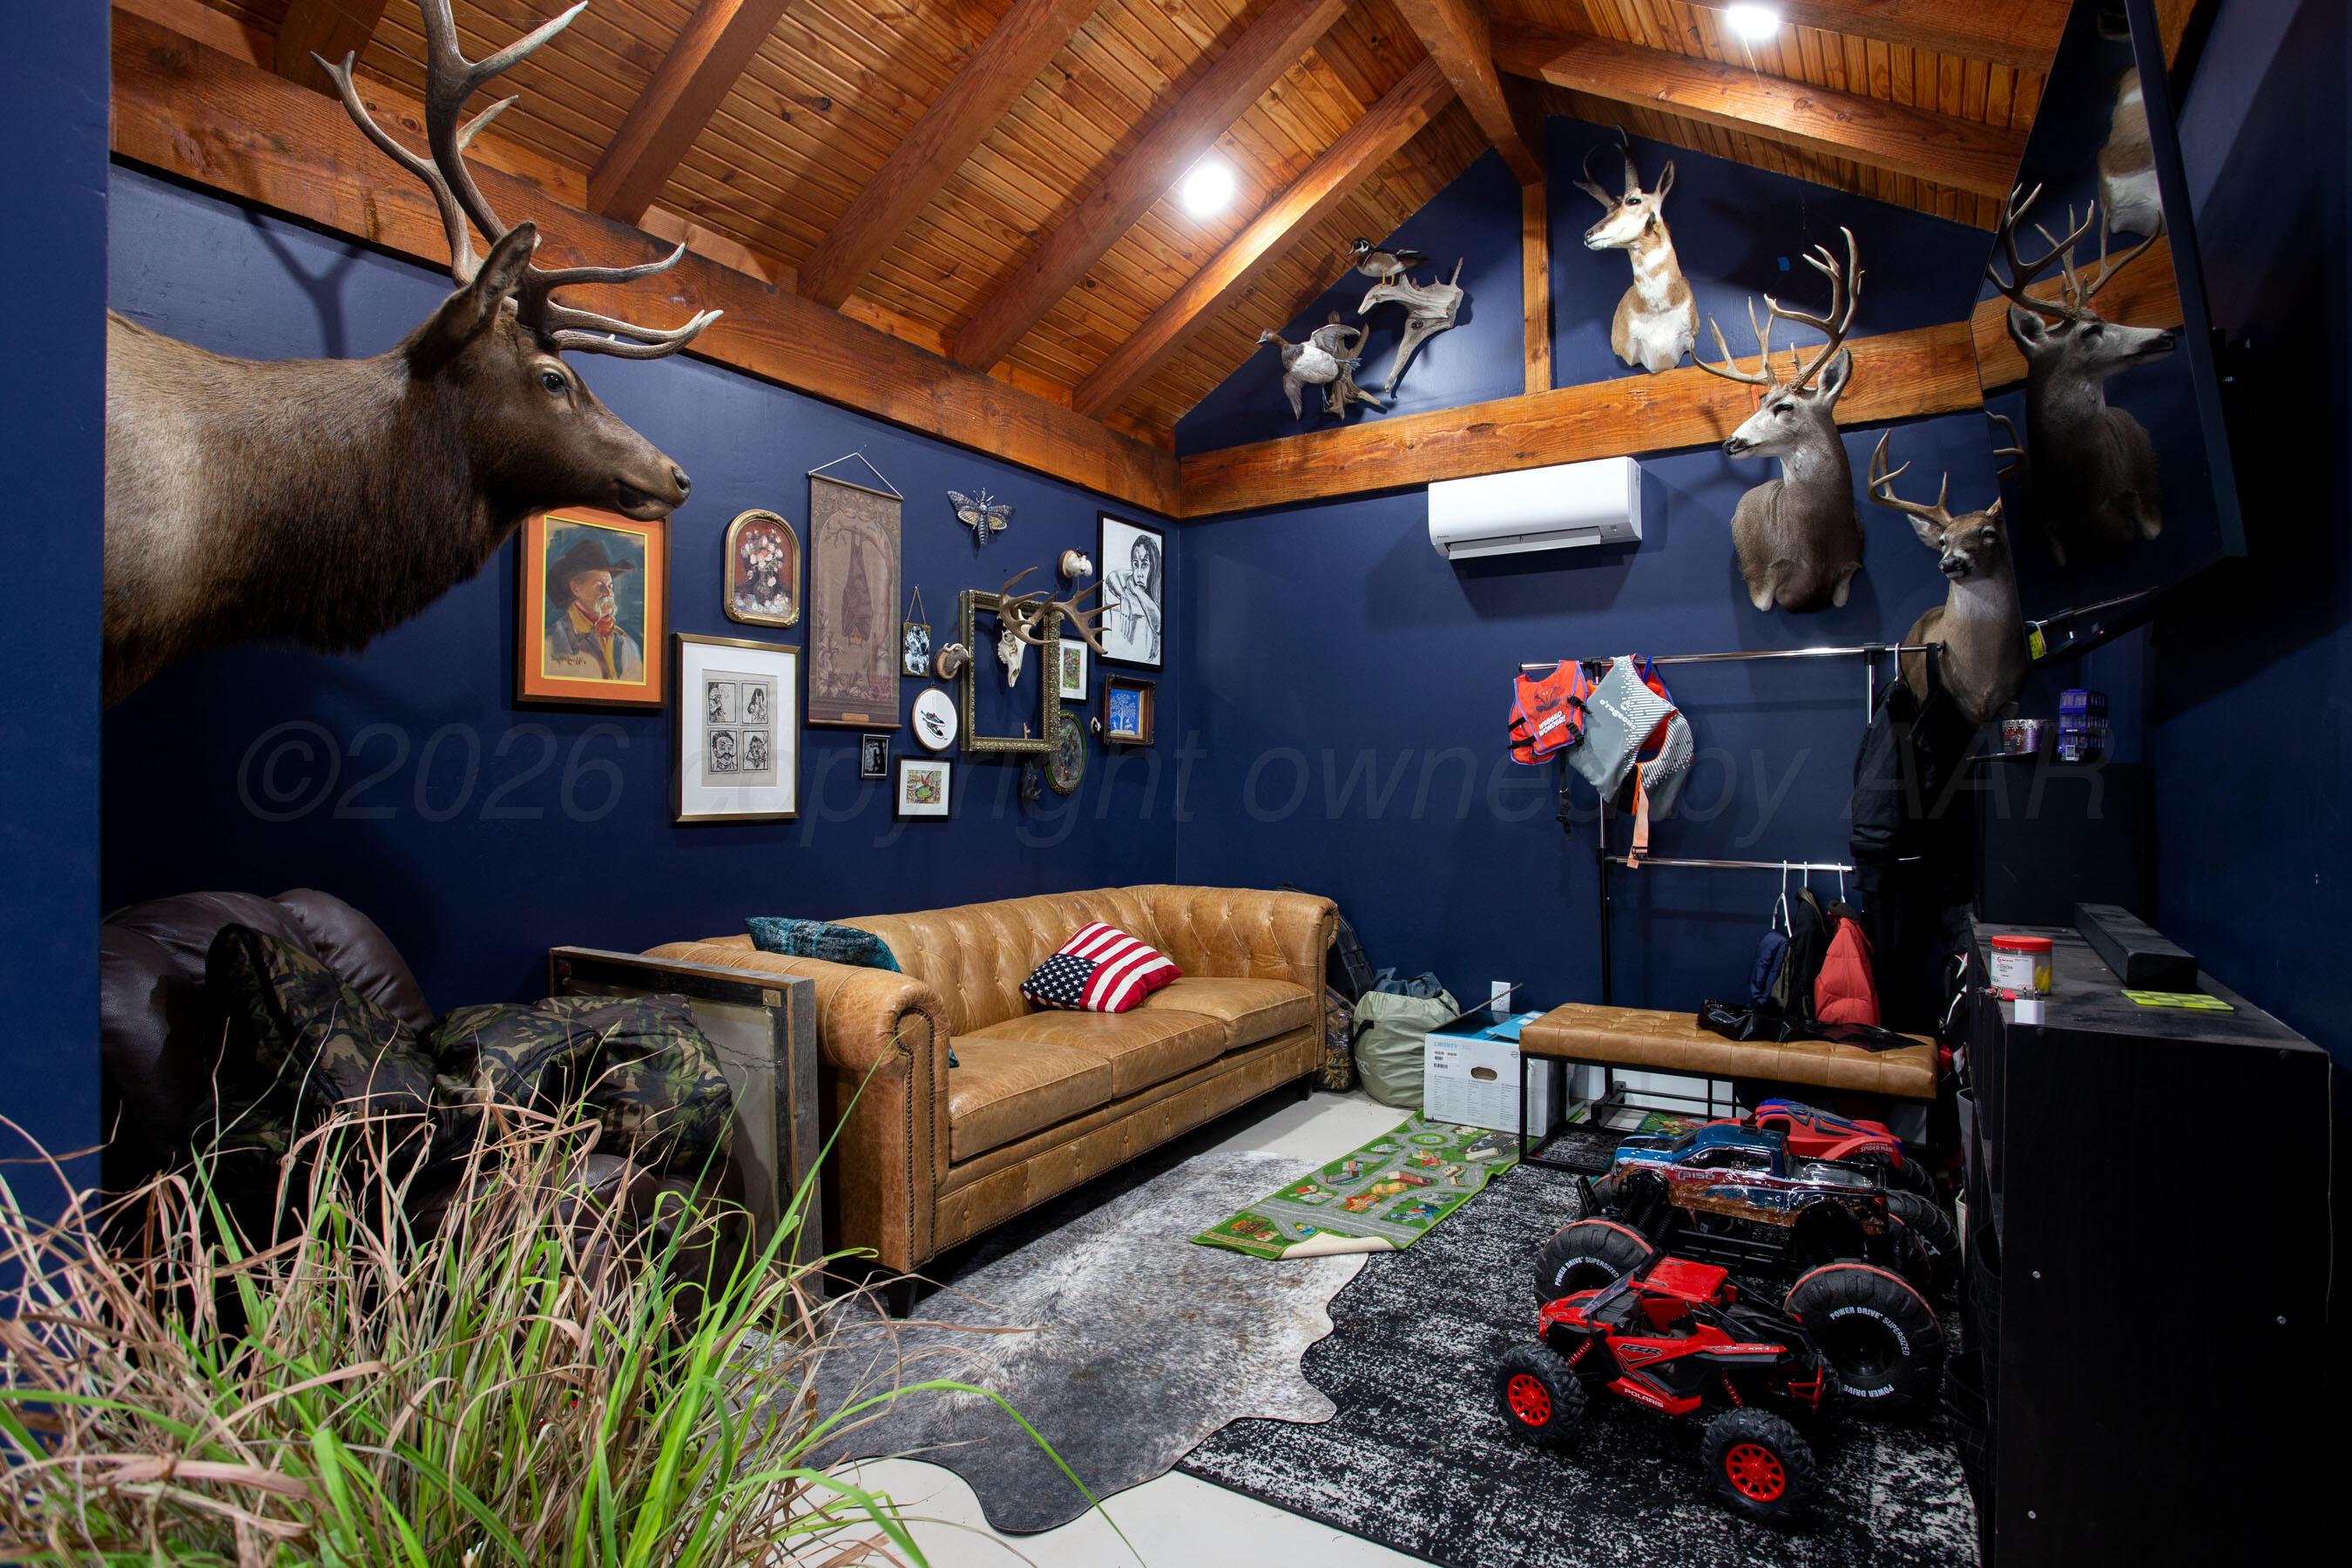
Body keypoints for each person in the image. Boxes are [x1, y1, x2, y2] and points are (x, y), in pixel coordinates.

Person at [544, 531, 644, 681]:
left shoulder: (627, 643)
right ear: (576, 588)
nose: (609, 593)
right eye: (600, 586)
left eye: (610, 586)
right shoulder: (552, 641)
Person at [1105, 532, 1162, 662]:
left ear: (1154, 566)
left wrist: (1138, 591)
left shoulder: (1159, 586)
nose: (1138, 573)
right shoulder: (1132, 579)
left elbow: (1159, 625)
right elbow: (1111, 576)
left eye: (1144, 564)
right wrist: (1124, 597)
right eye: (1136, 564)